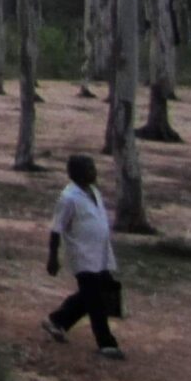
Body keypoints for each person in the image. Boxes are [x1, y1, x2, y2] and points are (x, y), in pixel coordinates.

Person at [45, 152, 124, 358]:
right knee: (96, 300)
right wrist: (53, 257)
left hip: (101, 254)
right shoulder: (68, 199)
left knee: (98, 292)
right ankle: (107, 344)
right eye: (89, 168)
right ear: (76, 173)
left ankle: (58, 320)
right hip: (83, 256)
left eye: (93, 167)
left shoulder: (93, 192)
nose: (94, 172)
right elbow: (56, 229)